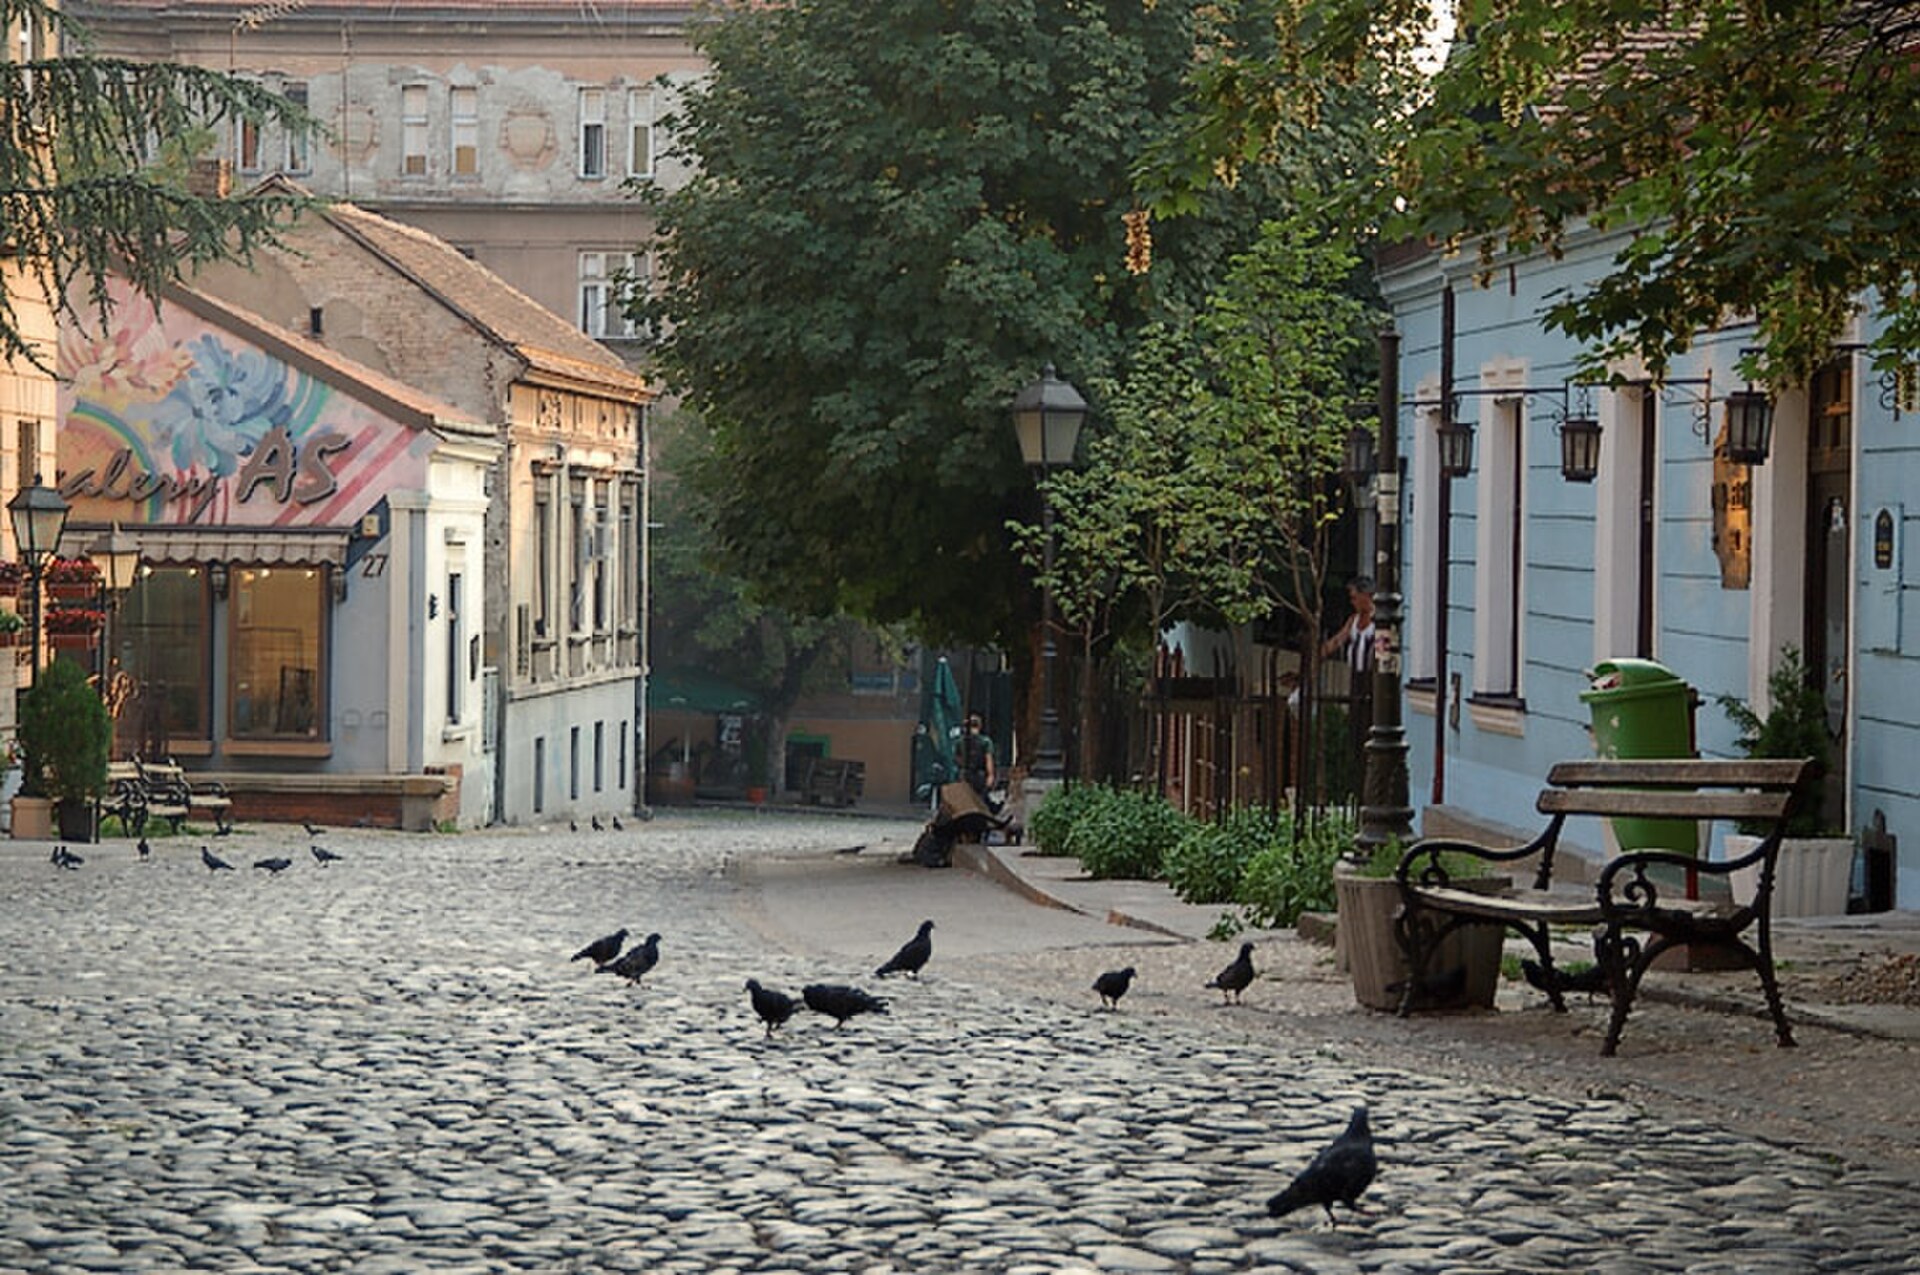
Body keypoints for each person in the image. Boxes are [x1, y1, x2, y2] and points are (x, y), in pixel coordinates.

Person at [1323, 576, 1377, 675]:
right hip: (1354, 675)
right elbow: (1337, 640)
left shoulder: (1378, 621)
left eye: (1354, 598)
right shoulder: (1353, 620)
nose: (1352, 603)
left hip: (1373, 676)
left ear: (1365, 596)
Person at [956, 712, 996, 799]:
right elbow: (989, 761)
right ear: (980, 726)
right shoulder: (985, 741)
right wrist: (990, 777)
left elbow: (957, 759)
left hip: (964, 776)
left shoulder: (960, 741)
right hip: (979, 777)